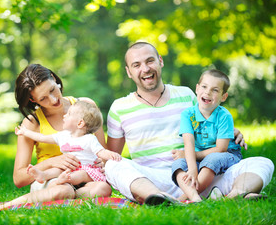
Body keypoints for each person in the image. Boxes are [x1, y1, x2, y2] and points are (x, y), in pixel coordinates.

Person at [105, 41, 274, 205]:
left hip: (199, 176)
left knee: (262, 162)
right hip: (152, 180)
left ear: (160, 61)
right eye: (136, 65)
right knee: (113, 165)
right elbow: (112, 155)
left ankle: (234, 195)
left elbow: (211, 123)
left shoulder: (186, 95)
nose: (145, 68)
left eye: (150, 61)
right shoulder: (120, 107)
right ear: (128, 72)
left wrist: (231, 131)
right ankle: (158, 198)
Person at [9, 64, 111, 206]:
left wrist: (102, 163)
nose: (53, 100)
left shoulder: (86, 107)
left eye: (52, 90)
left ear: (54, 78)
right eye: (43, 98)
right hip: (51, 179)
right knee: (63, 191)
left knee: (103, 189)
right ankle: (8, 205)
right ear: (33, 100)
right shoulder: (32, 123)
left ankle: (74, 197)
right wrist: (52, 162)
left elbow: (103, 152)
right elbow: (19, 178)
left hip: (84, 176)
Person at [171, 69, 242, 202]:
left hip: (227, 154)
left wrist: (191, 157)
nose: (207, 92)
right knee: (178, 164)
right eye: (204, 87)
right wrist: (192, 169)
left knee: (213, 159)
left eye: (215, 90)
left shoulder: (224, 116)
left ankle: (182, 198)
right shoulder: (187, 114)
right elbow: (189, 143)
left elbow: (221, 149)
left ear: (223, 97)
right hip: (201, 156)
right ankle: (194, 198)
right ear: (197, 89)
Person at [15, 100, 122, 187]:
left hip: (86, 169)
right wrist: (25, 132)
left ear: (80, 123)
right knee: (57, 169)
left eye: (69, 114)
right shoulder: (63, 136)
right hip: (68, 169)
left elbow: (101, 152)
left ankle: (67, 180)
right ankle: (43, 175)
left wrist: (110, 155)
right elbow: (42, 138)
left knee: (81, 174)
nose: (65, 115)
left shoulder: (89, 139)